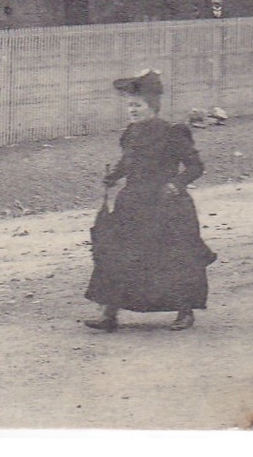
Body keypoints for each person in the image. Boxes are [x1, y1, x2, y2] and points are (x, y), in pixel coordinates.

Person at [85, 71, 217, 332]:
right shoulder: (131, 133)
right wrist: (114, 176)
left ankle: (184, 311)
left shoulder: (173, 132)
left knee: (173, 258)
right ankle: (108, 313)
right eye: (130, 105)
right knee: (117, 254)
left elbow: (195, 167)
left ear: (152, 107)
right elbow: (128, 161)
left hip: (166, 205)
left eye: (138, 105)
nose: (132, 110)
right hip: (132, 204)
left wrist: (175, 185)